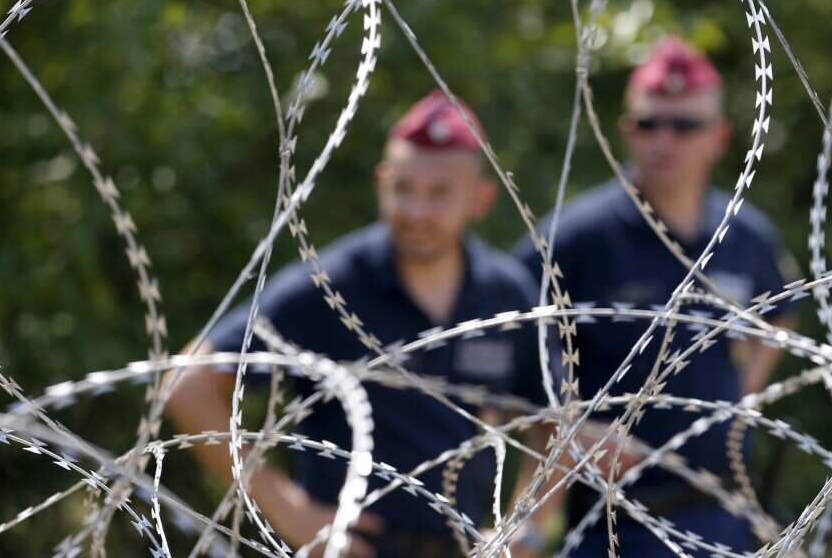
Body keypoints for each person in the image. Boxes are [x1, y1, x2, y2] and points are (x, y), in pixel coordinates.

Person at [167, 92, 547, 558]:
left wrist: (524, 529)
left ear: (481, 199)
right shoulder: (332, 287)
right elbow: (188, 383)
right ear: (381, 182)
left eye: (439, 193)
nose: (416, 212)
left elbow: (553, 422)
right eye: (403, 189)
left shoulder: (504, 293)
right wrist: (291, 513)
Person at [513, 36, 800, 556]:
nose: (664, 140)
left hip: (723, 513)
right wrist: (568, 425)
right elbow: (508, 338)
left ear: (719, 137)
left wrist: (741, 392)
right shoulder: (578, 237)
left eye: (684, 126)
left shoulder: (744, 235)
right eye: (649, 124)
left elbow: (782, 312)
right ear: (626, 131)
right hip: (613, 522)